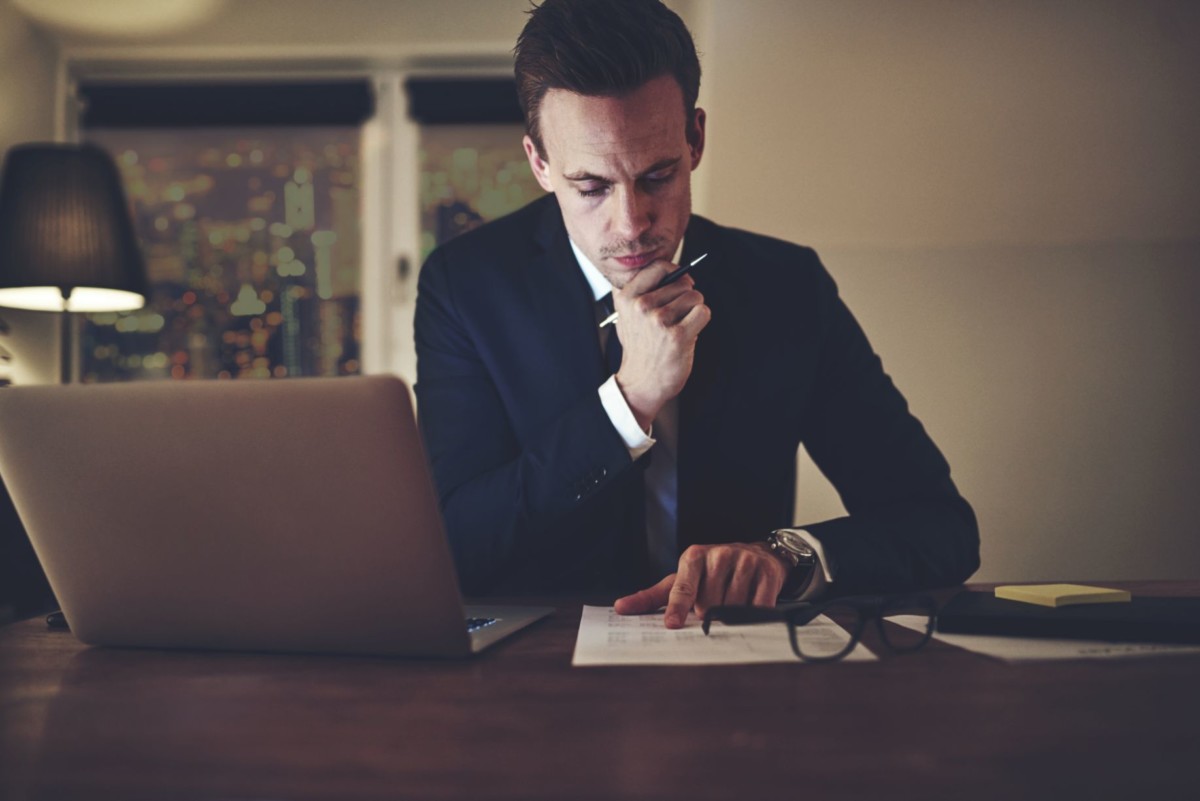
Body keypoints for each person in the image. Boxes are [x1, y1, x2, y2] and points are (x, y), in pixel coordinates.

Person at [414, 0, 979, 629]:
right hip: (536, 677)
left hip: (733, 666)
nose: (631, 224)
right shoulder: (466, 287)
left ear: (696, 139)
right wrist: (629, 402)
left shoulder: (787, 287)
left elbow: (940, 528)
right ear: (539, 164)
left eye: (657, 176)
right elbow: (454, 551)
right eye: (592, 187)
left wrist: (786, 558)